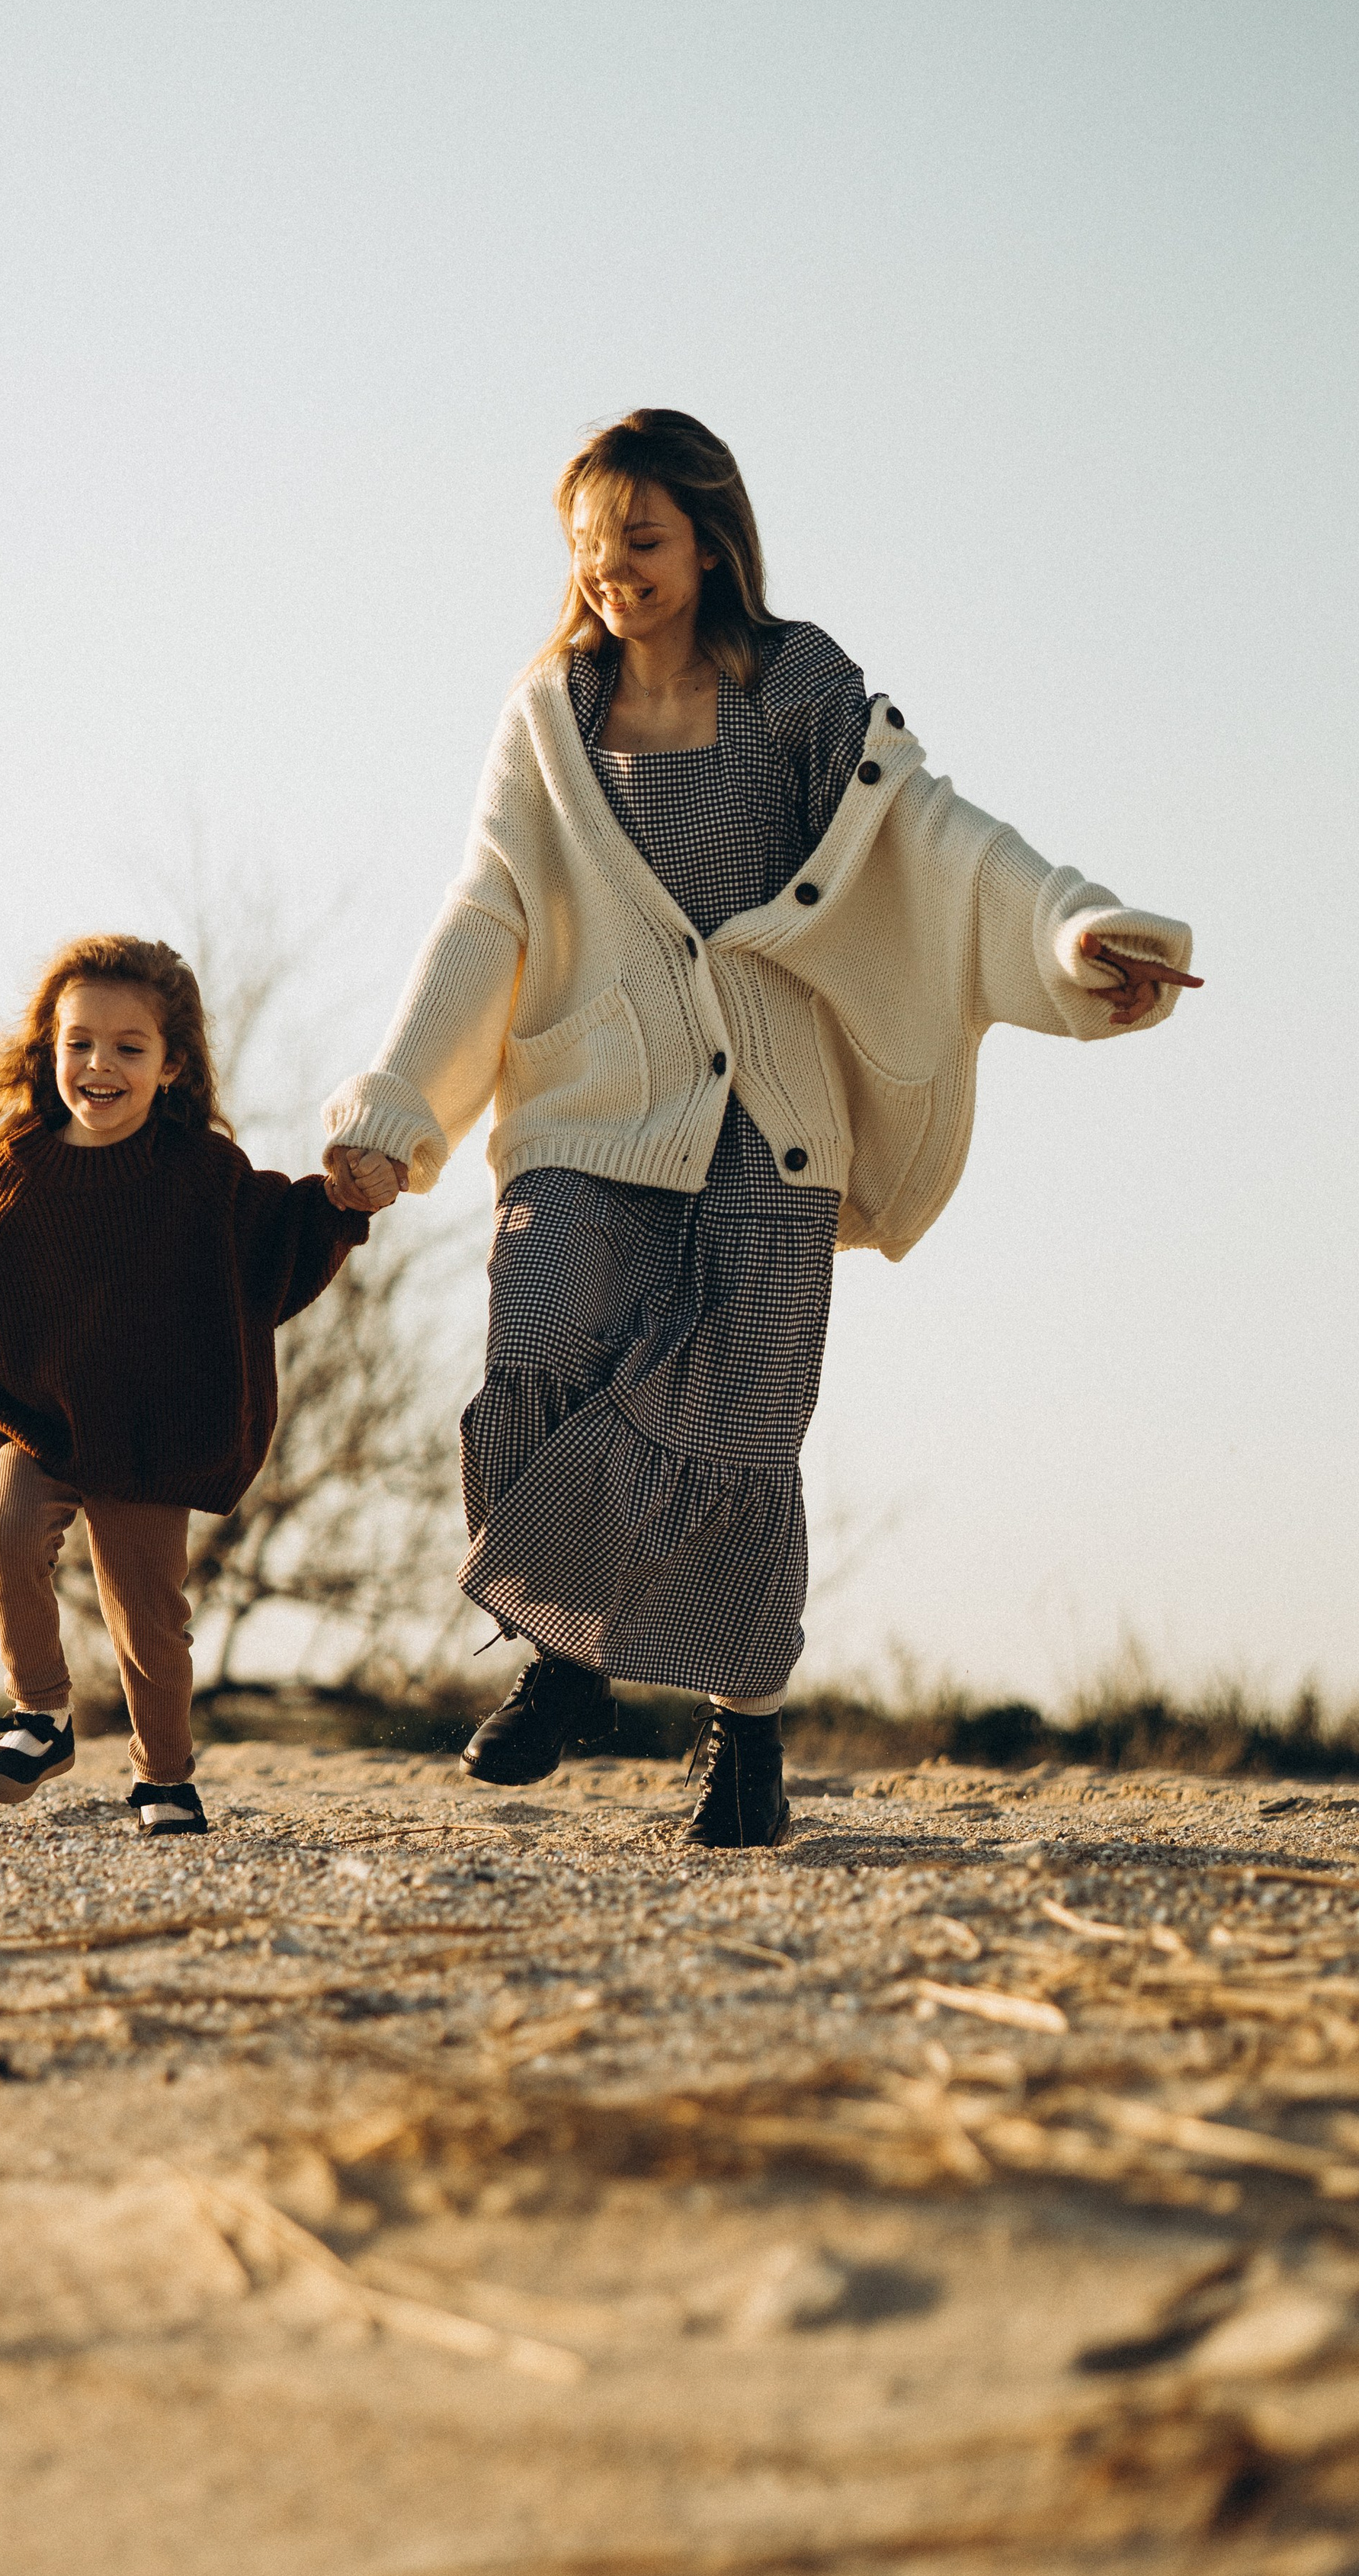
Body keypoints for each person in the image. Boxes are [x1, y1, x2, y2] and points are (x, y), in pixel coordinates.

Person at [324, 409, 1200, 1849]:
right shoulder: (552, 709)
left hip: (772, 1120)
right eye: (591, 545)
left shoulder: (798, 685)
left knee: (739, 1414)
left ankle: (746, 1742)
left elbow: (933, 834)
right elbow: (488, 907)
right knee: (542, 1341)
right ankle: (566, 1661)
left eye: (644, 540)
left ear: (714, 539)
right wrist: (402, 1102)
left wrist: (1073, 928)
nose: (613, 570)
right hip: (591, 1106)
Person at [0, 934, 399, 1834]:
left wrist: (343, 1203)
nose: (100, 1065)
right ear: (50, 1051)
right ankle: (41, 1718)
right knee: (5, 1537)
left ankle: (163, 1779)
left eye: (129, 1048)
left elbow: (277, 1239)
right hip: (41, 1421)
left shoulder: (201, 1175)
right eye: (79, 1043)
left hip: (151, 1435)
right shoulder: (20, 1164)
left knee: (149, 1622)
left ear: (170, 1067)